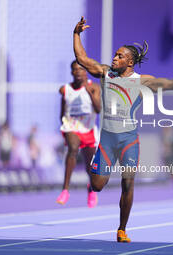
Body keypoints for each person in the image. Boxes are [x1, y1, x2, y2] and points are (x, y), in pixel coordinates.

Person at [73, 16, 173, 242]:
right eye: (115, 54)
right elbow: (82, 58)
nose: (114, 58)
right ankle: (96, 179)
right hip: (107, 139)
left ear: (130, 62)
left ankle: (122, 229)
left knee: (128, 182)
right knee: (97, 186)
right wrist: (76, 34)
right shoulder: (105, 73)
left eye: (119, 56)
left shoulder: (142, 81)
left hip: (128, 140)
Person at [56, 60, 101, 208]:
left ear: (86, 71)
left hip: (88, 129)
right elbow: (62, 111)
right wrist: (64, 126)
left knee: (90, 166)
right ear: (71, 72)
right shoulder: (65, 90)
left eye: (81, 69)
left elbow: (99, 109)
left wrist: (89, 92)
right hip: (71, 126)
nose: (78, 72)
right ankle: (65, 190)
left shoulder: (93, 87)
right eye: (75, 70)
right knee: (73, 148)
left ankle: (91, 189)